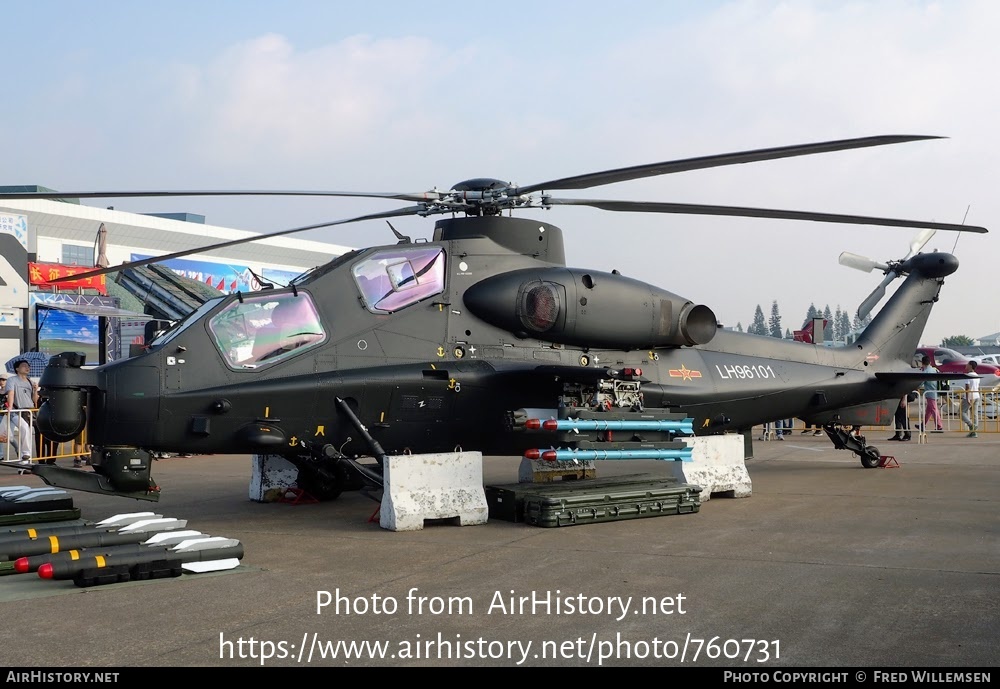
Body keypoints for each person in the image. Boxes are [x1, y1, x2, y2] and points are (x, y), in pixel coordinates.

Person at [4, 360, 38, 463]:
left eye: (28, 366)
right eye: (24, 366)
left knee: (27, 434)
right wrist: (9, 406)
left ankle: (25, 462)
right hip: (16, 410)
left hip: (29, 411)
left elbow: (35, 400)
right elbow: (11, 393)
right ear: (17, 369)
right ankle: (26, 454)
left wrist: (35, 389)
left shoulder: (30, 382)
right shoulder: (12, 380)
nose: (27, 368)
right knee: (24, 428)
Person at [919, 355, 944, 433]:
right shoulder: (934, 370)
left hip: (930, 392)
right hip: (936, 391)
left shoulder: (925, 372)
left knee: (933, 409)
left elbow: (921, 383)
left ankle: (939, 426)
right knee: (929, 410)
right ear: (930, 362)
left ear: (922, 363)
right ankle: (923, 425)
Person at [961, 360, 980, 438]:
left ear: (970, 366)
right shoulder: (977, 375)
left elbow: (967, 387)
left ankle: (971, 425)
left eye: (967, 364)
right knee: (974, 414)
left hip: (970, 396)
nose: (966, 365)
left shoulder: (968, 375)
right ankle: (974, 432)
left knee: (961, 412)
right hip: (976, 395)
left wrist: (967, 397)